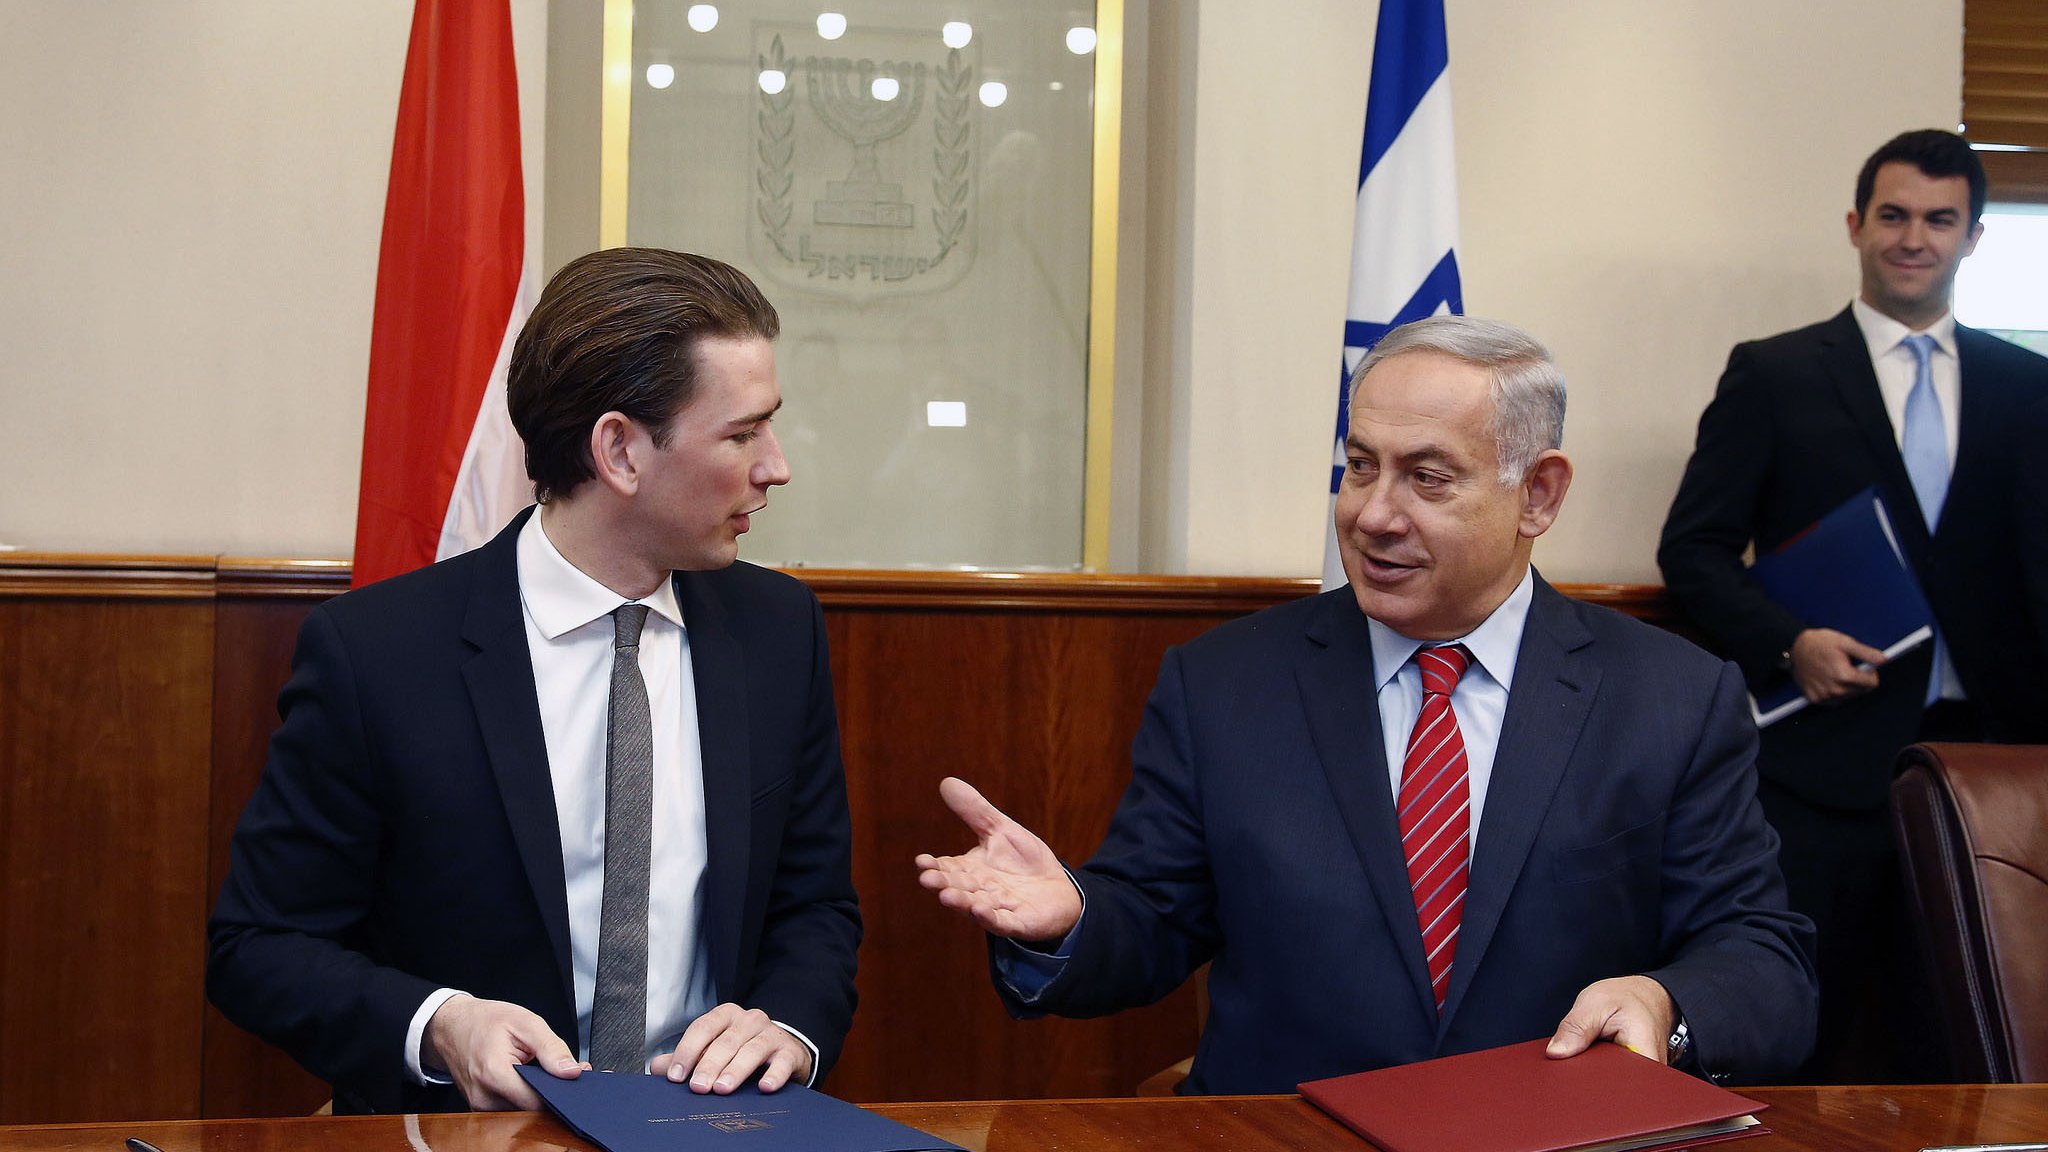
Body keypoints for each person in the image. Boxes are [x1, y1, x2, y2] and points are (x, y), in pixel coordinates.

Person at [917, 315, 1816, 1094]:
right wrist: (1074, 917)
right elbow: (1152, 921)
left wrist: (1665, 1002)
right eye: (1359, 466)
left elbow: (1762, 960)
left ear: (1537, 494)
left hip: (1555, 1137)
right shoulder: (1226, 684)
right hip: (1288, 1138)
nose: (1373, 514)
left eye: (1427, 478)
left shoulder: (1672, 696)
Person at [208, 249, 862, 1114]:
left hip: (717, 1129)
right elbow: (258, 945)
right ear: (619, 450)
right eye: (742, 434)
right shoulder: (377, 654)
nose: (775, 465)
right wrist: (439, 1023)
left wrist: (790, 1028)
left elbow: (815, 908)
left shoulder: (778, 632)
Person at [1658, 129, 2048, 1082]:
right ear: (1856, 225)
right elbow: (1693, 550)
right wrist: (1790, 643)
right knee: (1802, 1036)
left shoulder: (2029, 385)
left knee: (1969, 1045)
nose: (1915, 238)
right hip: (1826, 771)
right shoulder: (1777, 372)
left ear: (1973, 237)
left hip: (1995, 767)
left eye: (1940, 220)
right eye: (1895, 215)